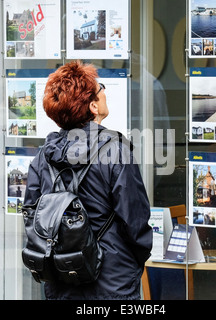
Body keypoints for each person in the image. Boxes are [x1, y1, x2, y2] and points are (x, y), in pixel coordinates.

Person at [23, 60, 153, 300]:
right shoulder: (115, 150)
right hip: (113, 282)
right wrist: (132, 261)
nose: (104, 92)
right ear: (93, 106)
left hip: (62, 277)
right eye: (100, 88)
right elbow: (135, 219)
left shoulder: (43, 156)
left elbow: (31, 214)